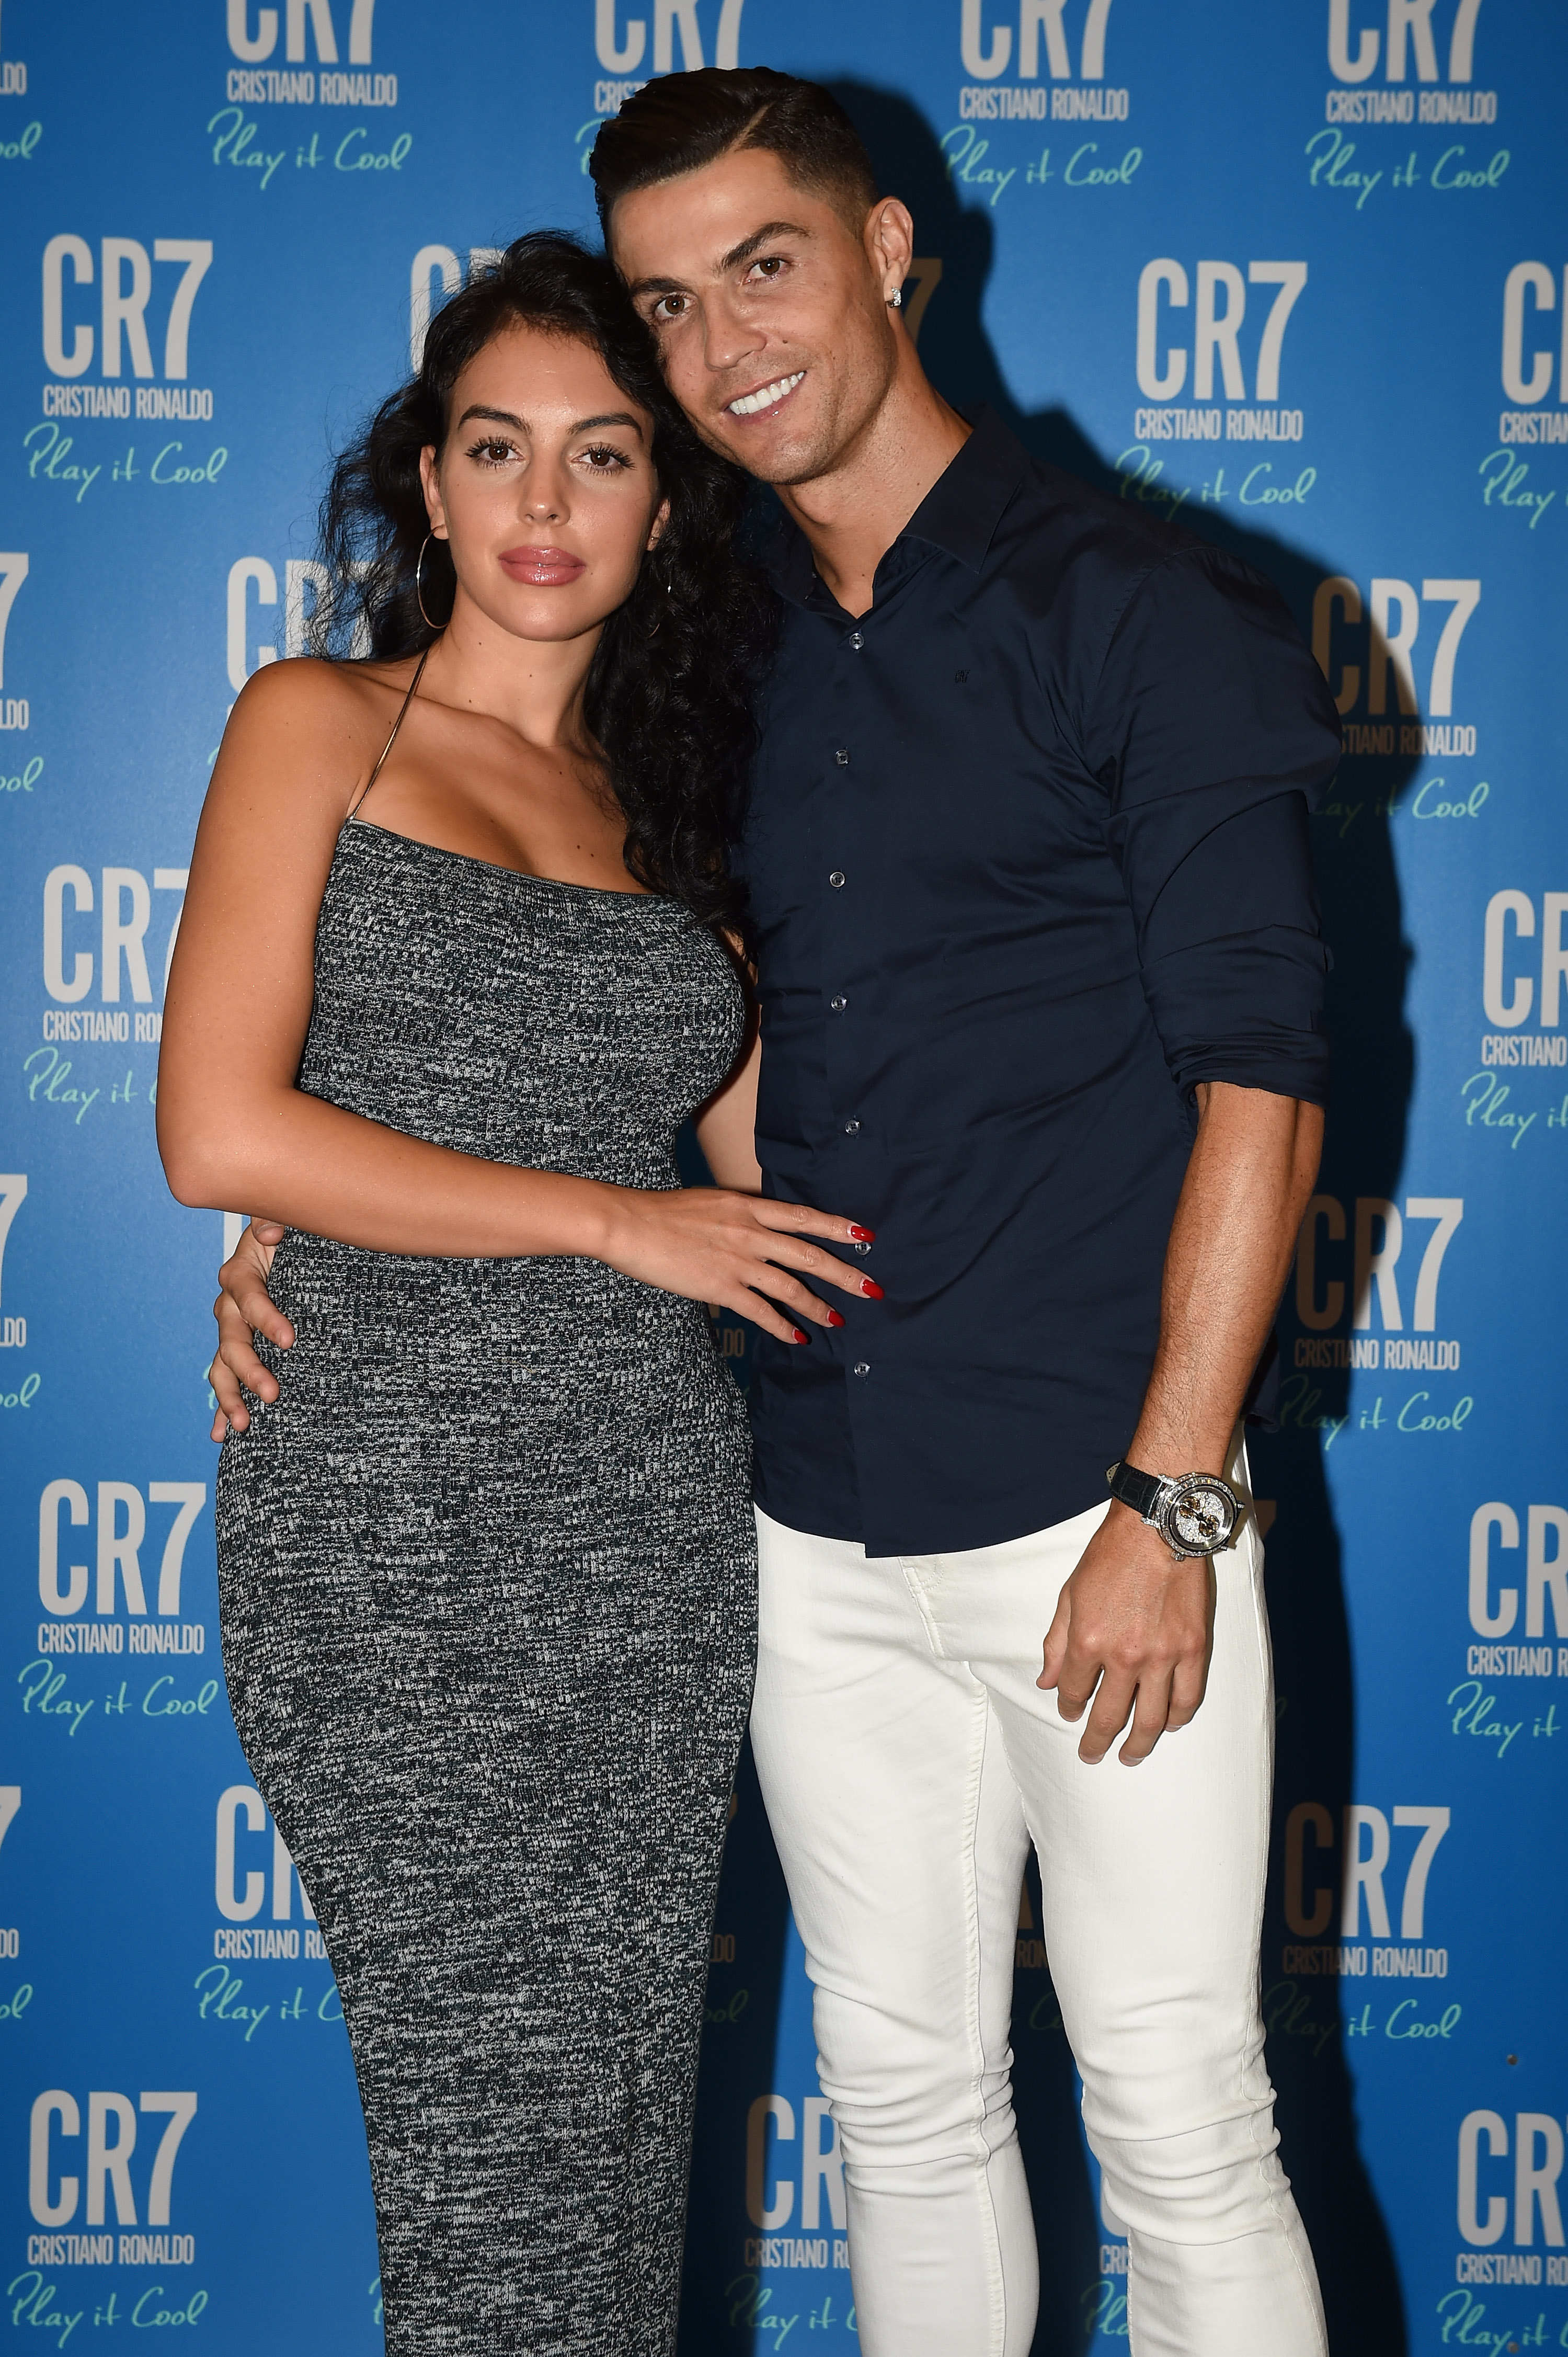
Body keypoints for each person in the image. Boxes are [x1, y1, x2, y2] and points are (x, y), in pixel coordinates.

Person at [211, 71, 1342, 2357]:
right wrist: (301, 1208)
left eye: (765, 264)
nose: (718, 339)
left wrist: (1176, 1491)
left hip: (1086, 1508)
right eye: (666, 298)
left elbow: (1270, 1080)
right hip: (795, 1522)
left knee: (1183, 2115)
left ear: (892, 253)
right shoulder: (710, 664)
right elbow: (647, 1085)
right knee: (900, 2110)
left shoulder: (1137, 607)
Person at [157, 231, 875, 2357]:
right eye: (498, 450)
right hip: (387, 1545)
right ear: (431, 485)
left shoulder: (674, 818)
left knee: (614, 2160)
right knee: (480, 2163)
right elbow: (219, 1130)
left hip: (649, 1552)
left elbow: (765, 1179)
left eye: (601, 456)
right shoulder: (320, 725)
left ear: (667, 506)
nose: (545, 507)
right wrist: (608, 1219)